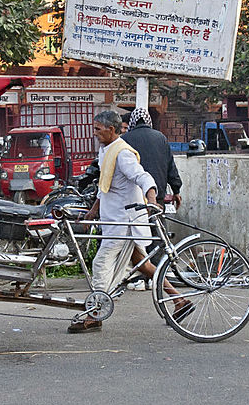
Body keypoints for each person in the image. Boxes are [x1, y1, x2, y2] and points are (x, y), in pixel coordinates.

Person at [68, 111, 192, 333]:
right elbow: (104, 186)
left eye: (98, 129)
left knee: (100, 263)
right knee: (144, 265)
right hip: (115, 218)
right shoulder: (106, 150)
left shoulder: (122, 152)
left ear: (112, 130)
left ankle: (95, 314)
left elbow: (143, 177)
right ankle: (179, 300)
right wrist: (93, 211)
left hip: (123, 222)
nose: (94, 133)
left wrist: (152, 200)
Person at [122, 107, 184, 290]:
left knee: (136, 236)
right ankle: (156, 277)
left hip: (134, 198)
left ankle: (137, 278)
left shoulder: (125, 140)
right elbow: (170, 166)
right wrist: (177, 189)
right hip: (157, 197)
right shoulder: (161, 138)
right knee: (157, 236)